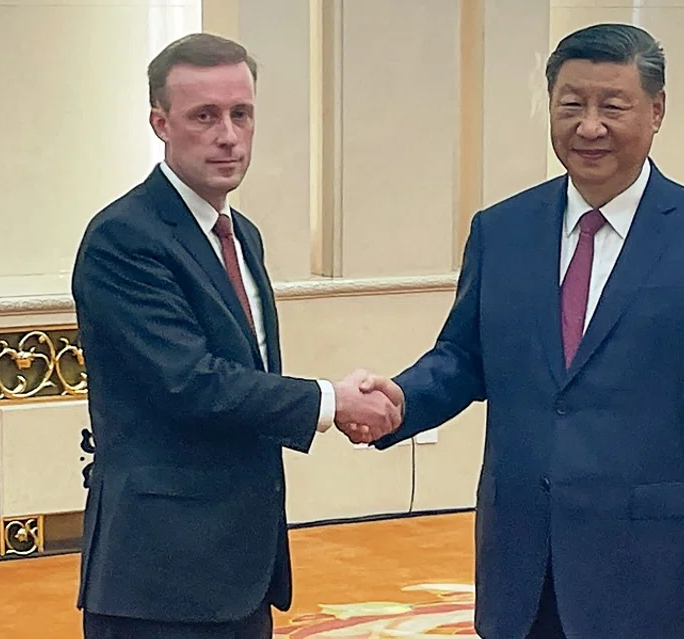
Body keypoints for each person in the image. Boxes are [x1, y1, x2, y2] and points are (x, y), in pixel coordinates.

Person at [357, 23, 684, 639]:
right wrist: (401, 400)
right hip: (522, 558)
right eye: (571, 105)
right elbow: (464, 355)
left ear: (656, 110)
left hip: (654, 565)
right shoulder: (501, 230)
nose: (589, 126)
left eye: (613, 106)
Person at [70, 33, 400, 638]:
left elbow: (251, 377)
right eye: (205, 116)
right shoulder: (125, 238)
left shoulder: (240, 233)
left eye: (240, 113)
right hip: (160, 577)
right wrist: (331, 402)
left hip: (240, 566)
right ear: (160, 123)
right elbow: (189, 384)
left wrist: (332, 401)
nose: (228, 134)